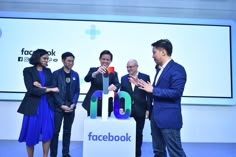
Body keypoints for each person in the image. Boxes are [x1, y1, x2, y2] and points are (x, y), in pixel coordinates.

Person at [135, 39, 187, 157]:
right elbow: (157, 90)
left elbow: (176, 93)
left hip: (169, 120)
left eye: (154, 52)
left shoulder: (177, 69)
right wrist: (141, 85)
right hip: (156, 118)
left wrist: (153, 89)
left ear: (163, 52)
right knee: (158, 152)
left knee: (176, 153)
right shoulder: (159, 69)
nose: (152, 56)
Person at [17, 49, 59, 157]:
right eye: (44, 58)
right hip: (33, 106)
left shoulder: (48, 71)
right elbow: (31, 90)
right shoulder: (27, 71)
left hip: (47, 105)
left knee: (48, 132)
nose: (46, 60)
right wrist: (48, 89)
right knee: (31, 133)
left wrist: (42, 87)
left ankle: (45, 156)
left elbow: (54, 86)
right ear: (37, 58)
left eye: (47, 59)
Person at [50, 52, 80, 157]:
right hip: (58, 108)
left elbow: (77, 91)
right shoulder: (56, 74)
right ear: (63, 61)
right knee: (55, 132)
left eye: (72, 61)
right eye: (69, 61)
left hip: (71, 108)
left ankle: (65, 153)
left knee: (67, 131)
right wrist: (61, 105)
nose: (71, 63)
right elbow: (53, 91)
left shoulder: (75, 74)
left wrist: (73, 104)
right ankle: (53, 154)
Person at [120, 59, 152, 157]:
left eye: (131, 67)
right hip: (127, 110)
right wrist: (121, 107)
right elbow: (122, 94)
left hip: (140, 110)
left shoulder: (145, 77)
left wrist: (148, 109)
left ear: (137, 66)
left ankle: (137, 154)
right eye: (127, 67)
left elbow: (149, 95)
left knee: (138, 133)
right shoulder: (123, 78)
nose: (129, 69)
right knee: (127, 133)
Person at [82, 50, 120, 116]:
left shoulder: (113, 73)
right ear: (99, 59)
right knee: (91, 124)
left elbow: (117, 84)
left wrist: (115, 87)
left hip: (107, 104)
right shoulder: (93, 69)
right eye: (103, 59)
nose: (105, 61)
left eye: (108, 60)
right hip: (93, 102)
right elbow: (86, 79)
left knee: (105, 125)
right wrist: (96, 73)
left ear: (111, 61)